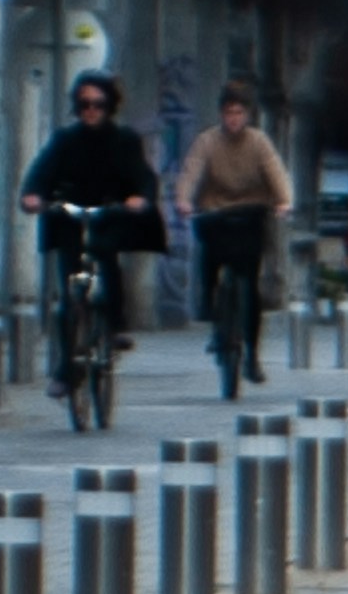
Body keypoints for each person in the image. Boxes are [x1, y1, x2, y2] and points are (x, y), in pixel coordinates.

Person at [20, 70, 163, 344]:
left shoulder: (124, 140)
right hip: (70, 216)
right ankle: (66, 357)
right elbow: (41, 171)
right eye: (85, 104)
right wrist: (33, 195)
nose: (91, 111)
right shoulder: (65, 140)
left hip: (108, 214)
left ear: (109, 106)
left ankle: (115, 325)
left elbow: (143, 176)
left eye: (99, 104)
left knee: (108, 261)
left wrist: (140, 199)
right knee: (68, 284)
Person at [174, 81, 292, 384]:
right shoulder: (207, 141)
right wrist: (184, 200)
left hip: (251, 212)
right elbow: (191, 171)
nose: (234, 119)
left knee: (250, 283)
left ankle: (251, 354)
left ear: (247, 114)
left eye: (239, 113)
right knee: (209, 259)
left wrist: (283, 200)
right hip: (215, 212)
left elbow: (275, 170)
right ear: (221, 114)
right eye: (229, 113)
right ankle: (213, 315)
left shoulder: (258, 142)